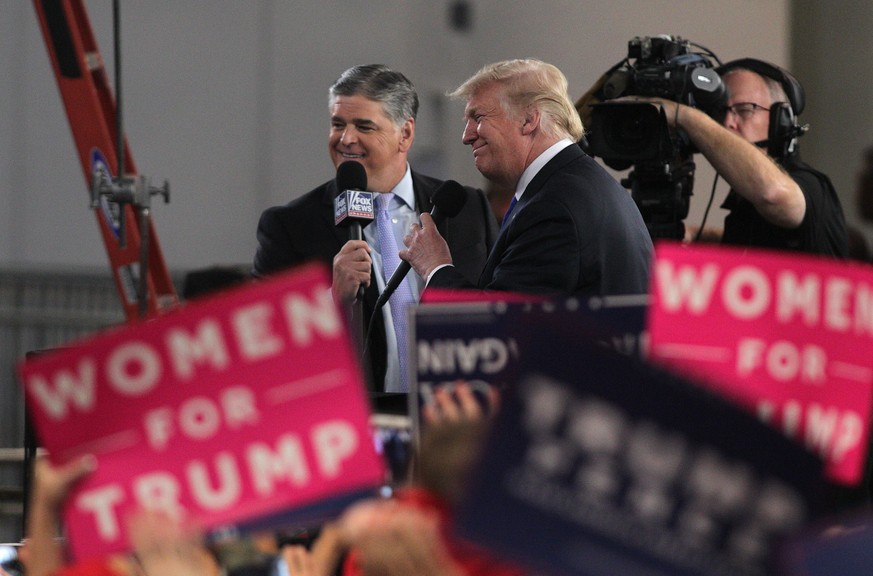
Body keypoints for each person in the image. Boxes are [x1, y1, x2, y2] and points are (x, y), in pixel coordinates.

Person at [253, 65, 498, 393]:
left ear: (405, 134)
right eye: (337, 124)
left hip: (456, 419)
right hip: (354, 423)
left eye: (363, 126)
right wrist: (332, 299)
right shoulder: (289, 226)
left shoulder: (466, 209)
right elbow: (262, 343)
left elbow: (499, 304)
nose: (345, 139)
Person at [400, 59, 653, 298]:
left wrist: (435, 267)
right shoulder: (580, 185)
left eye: (478, 117)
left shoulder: (553, 207)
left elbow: (503, 326)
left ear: (529, 120)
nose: (466, 136)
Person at [639, 58, 848, 257]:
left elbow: (774, 195)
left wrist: (683, 115)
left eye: (745, 109)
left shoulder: (812, 187)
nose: (727, 122)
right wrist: (698, 236)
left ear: (780, 121)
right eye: (721, 111)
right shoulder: (744, 208)